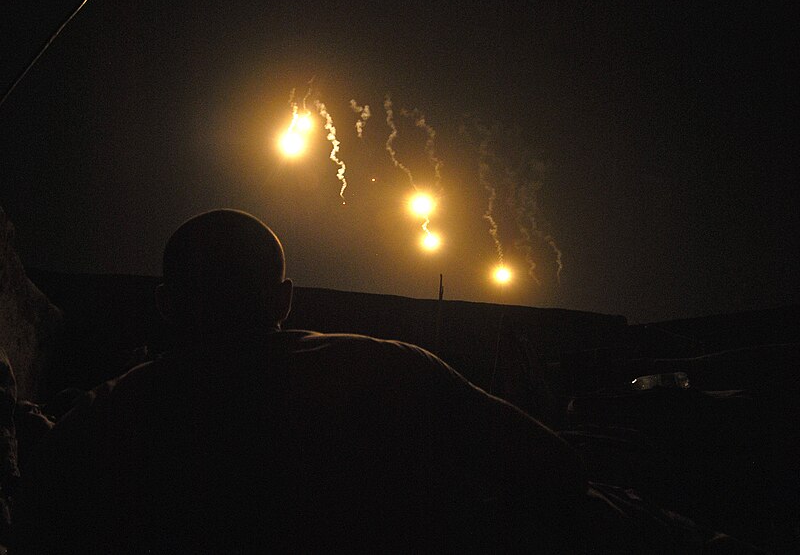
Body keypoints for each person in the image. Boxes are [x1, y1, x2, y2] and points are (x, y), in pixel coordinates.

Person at [12, 209, 588, 553]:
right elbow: (557, 470)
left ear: (166, 305)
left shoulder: (104, 422)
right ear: (285, 299)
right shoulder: (394, 369)